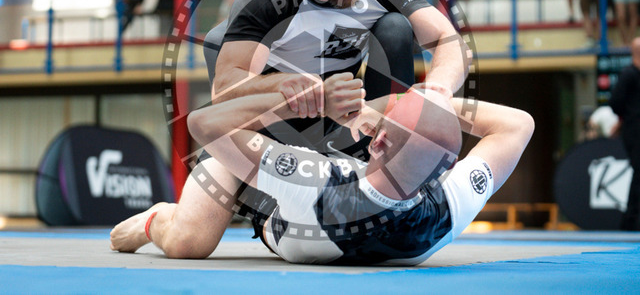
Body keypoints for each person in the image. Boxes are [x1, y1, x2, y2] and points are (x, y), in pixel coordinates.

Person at [111, 80, 534, 264]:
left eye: (389, 110)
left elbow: (203, 124)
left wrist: (294, 100)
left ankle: (156, 219)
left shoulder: (316, 183)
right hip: (330, 156)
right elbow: (519, 124)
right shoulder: (451, 205)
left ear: (378, 142)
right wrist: (433, 109)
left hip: (277, 191)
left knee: (187, 242)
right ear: (448, 166)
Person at [204, 0, 468, 160]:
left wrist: (437, 90)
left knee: (395, 27)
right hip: (276, 121)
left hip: (349, 121)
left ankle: (388, 155)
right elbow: (225, 89)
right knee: (217, 42)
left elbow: (448, 39)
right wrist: (285, 84)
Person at [609, 37, 640, 231]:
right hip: (635, 130)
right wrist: (628, 117)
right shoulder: (629, 74)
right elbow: (615, 103)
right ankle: (631, 221)